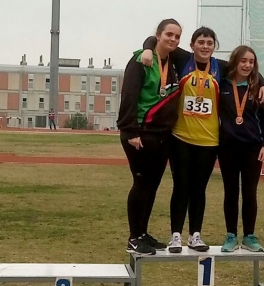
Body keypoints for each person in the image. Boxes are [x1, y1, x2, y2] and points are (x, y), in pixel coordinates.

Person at [141, 26, 264, 253]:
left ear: (214, 47)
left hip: (209, 140)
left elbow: (248, 68)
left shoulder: (221, 67)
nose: (205, 46)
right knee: (181, 187)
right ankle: (175, 237)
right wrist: (147, 50)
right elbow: (156, 39)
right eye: (201, 42)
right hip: (180, 136)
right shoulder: (182, 59)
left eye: (210, 43)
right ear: (192, 45)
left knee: (198, 189)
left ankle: (195, 236)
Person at [116, 19, 182, 255]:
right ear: (158, 35)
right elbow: (129, 96)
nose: (173, 40)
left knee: (152, 185)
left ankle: (143, 233)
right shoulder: (141, 60)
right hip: (140, 134)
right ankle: (134, 237)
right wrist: (131, 131)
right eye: (169, 35)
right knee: (142, 183)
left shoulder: (174, 59)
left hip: (162, 135)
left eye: (177, 36)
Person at [217, 45, 264, 252]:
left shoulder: (258, 87)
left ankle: (249, 236)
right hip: (227, 147)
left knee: (250, 192)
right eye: (243, 60)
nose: (247, 65)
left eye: (251, 61)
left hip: (252, 148)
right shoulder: (222, 83)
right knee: (230, 192)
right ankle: (231, 235)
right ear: (235, 61)